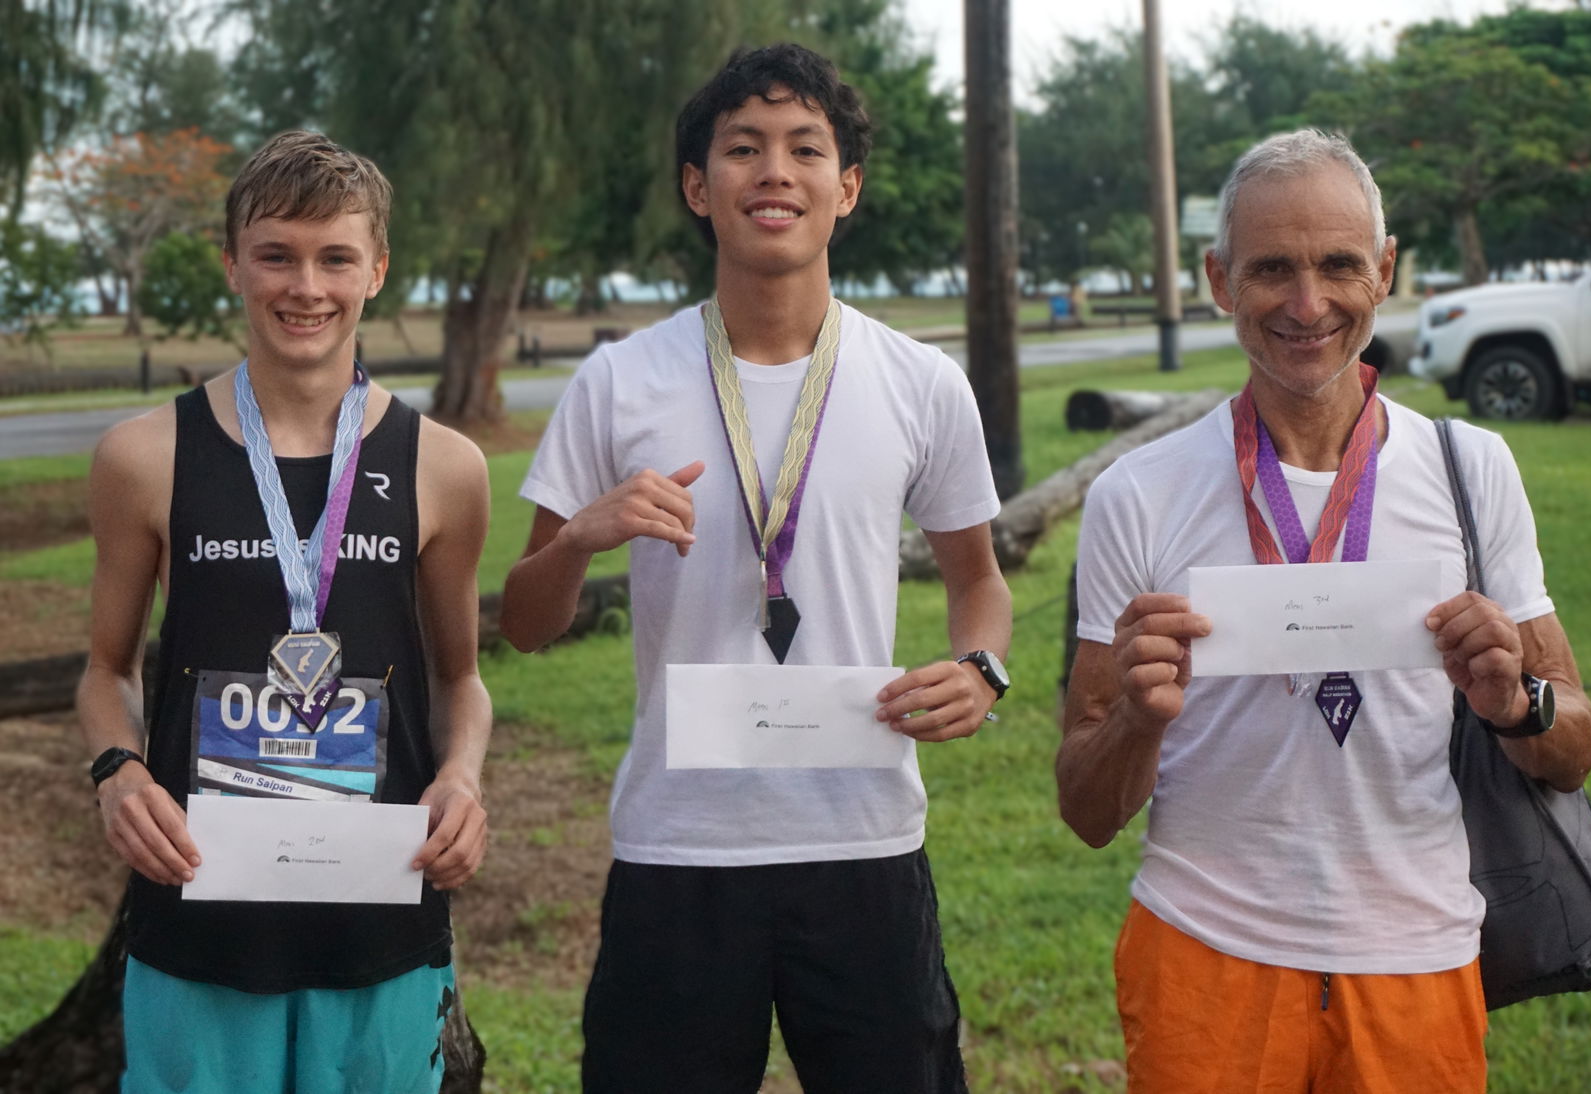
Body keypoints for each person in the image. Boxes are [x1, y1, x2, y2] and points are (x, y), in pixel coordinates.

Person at [500, 43, 1012, 1094]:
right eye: (743, 148)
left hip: (863, 838)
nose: (774, 171)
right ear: (699, 186)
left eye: (804, 148)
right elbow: (524, 621)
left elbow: (980, 581)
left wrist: (981, 671)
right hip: (679, 847)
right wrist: (581, 538)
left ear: (846, 188)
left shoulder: (919, 382)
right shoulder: (619, 381)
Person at [1056, 129, 1591, 1093]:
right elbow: (1087, 811)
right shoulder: (1138, 494)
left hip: (1418, 958)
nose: (1308, 305)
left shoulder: (1471, 470)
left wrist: (1517, 704)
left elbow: (1575, 749)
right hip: (1205, 949)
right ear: (1219, 281)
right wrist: (1137, 718)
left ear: (1384, 270)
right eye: (1272, 269)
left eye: (1340, 265)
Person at [78, 130, 492, 1093]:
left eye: (335, 258)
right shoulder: (143, 456)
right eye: (276, 255)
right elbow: (106, 670)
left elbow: (461, 678)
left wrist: (464, 779)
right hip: (200, 917)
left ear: (376, 270)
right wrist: (116, 772)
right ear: (233, 264)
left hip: (379, 917)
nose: (306, 287)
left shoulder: (445, 465)